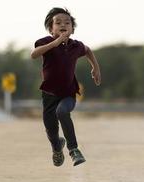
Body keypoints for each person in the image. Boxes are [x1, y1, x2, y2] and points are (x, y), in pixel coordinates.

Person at [31, 7, 101, 167]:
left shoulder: (76, 46)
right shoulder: (45, 42)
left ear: (72, 29)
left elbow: (88, 50)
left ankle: (74, 149)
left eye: (67, 23)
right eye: (58, 22)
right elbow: (34, 54)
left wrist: (95, 68)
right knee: (51, 130)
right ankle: (57, 147)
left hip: (68, 93)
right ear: (51, 28)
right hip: (49, 94)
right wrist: (55, 43)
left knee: (62, 112)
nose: (63, 25)